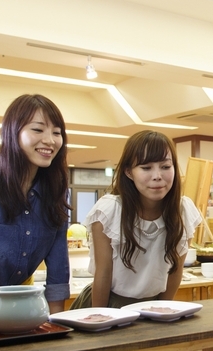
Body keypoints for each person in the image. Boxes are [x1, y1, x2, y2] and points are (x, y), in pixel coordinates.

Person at [0, 94, 70, 314]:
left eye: (57, 132)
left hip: (21, 300)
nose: (50, 140)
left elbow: (58, 269)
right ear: (12, 132)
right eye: (38, 130)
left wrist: (57, 323)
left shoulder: (54, 192)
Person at [70, 130, 202, 309]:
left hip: (153, 305)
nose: (157, 175)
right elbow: (103, 274)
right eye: (146, 168)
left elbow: (175, 270)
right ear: (129, 172)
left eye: (165, 166)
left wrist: (161, 310)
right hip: (107, 302)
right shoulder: (109, 210)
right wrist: (100, 318)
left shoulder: (183, 210)